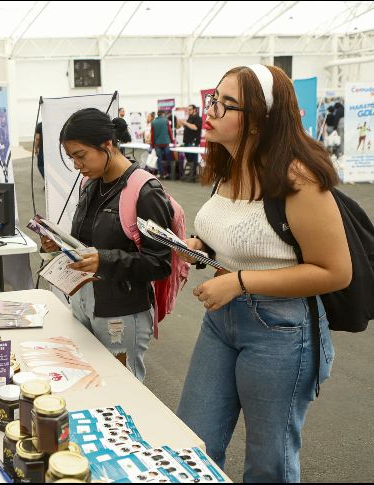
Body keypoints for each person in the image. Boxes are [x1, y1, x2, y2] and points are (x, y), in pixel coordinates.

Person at [176, 65, 350, 482]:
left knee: (269, 461)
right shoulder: (230, 167)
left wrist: (240, 282)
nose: (210, 110)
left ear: (258, 120)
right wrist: (199, 248)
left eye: (226, 103)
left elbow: (335, 271)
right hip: (222, 320)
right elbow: (246, 241)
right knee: (192, 442)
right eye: (213, 99)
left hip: (281, 330)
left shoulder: (298, 178)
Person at [39, 109, 173, 382]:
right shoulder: (90, 184)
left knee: (122, 389)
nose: (77, 165)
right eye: (71, 157)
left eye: (81, 155)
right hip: (83, 302)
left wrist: (105, 260)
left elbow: (160, 263)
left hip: (121, 313)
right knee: (88, 383)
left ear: (107, 145)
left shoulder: (145, 191)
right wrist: (59, 245)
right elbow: (88, 243)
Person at [179, 104, 202, 182]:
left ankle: (193, 175)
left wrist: (185, 123)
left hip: (193, 142)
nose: (188, 111)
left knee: (193, 159)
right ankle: (190, 174)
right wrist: (183, 123)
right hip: (187, 141)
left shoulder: (197, 118)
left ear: (194, 110)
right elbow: (188, 127)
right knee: (189, 159)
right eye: (188, 110)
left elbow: (195, 127)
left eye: (190, 110)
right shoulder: (190, 117)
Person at [150, 111, 175, 179]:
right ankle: (169, 174)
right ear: (163, 114)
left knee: (159, 160)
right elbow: (170, 132)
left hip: (157, 144)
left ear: (157, 114)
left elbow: (152, 134)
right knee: (168, 158)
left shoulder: (153, 122)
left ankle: (162, 174)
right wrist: (173, 141)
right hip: (166, 143)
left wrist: (152, 145)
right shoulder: (166, 121)